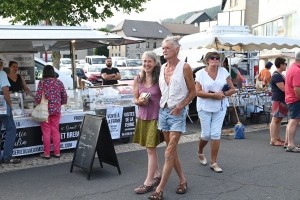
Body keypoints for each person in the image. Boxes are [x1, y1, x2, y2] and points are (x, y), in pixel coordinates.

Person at [148, 36, 195, 200]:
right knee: (172, 151)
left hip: (177, 113)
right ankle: (183, 180)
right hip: (163, 112)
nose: (164, 50)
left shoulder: (185, 67)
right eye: (163, 48)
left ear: (177, 49)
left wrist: (180, 106)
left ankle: (159, 190)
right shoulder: (162, 68)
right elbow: (160, 90)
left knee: (168, 152)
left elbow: (193, 91)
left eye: (167, 47)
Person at [195, 52, 235, 173]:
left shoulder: (224, 72)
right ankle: (200, 151)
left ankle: (214, 162)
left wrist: (223, 94)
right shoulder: (200, 73)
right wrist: (213, 95)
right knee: (206, 134)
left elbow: (232, 89)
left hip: (220, 107)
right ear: (207, 60)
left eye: (217, 58)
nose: (215, 59)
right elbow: (197, 92)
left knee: (216, 134)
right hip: (204, 107)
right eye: (212, 58)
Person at [133, 51, 162, 194]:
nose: (146, 64)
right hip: (142, 116)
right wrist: (140, 101)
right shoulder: (138, 78)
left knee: (151, 149)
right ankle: (157, 174)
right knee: (149, 149)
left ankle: (148, 182)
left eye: (149, 61)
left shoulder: (160, 79)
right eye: (144, 61)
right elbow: (135, 99)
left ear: (155, 63)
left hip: (155, 118)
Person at [35, 65, 68, 159]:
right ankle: (57, 152)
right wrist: (59, 104)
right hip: (56, 110)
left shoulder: (42, 83)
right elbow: (64, 97)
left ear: (44, 72)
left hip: (45, 110)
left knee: (46, 132)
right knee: (55, 131)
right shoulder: (59, 82)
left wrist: (37, 102)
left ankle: (47, 153)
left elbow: (38, 98)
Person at [0, 59, 20, 164]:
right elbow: (5, 90)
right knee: (11, 129)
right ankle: (7, 156)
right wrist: (10, 104)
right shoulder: (2, 73)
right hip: (2, 105)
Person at [269, 57, 287, 146]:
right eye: (285, 64)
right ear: (281, 65)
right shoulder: (276, 75)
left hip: (281, 99)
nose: (286, 66)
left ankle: (277, 137)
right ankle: (273, 139)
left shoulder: (281, 75)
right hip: (278, 99)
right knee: (275, 119)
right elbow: (283, 88)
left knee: (279, 119)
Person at [285, 52, 300, 152]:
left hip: (290, 98)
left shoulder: (291, 68)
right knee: (294, 121)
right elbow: (297, 89)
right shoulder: (297, 70)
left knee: (292, 121)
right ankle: (290, 144)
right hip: (295, 99)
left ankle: (288, 142)